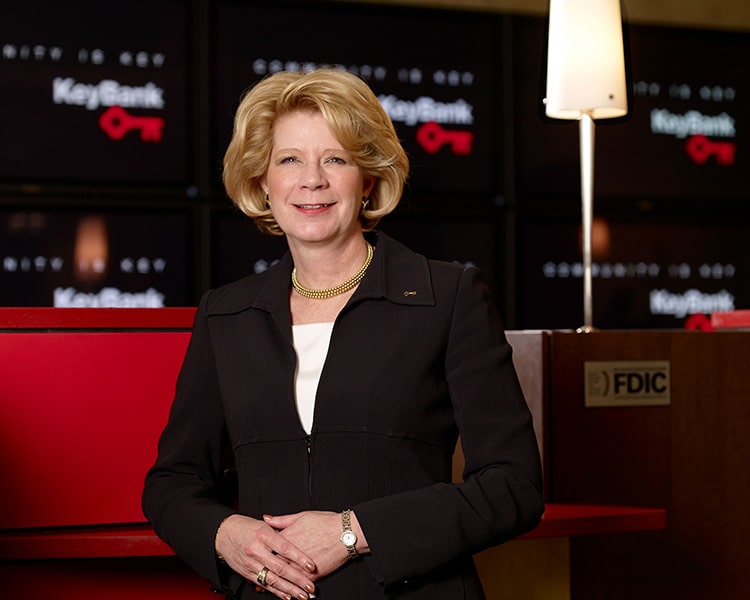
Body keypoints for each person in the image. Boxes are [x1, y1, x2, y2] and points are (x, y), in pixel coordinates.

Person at [142, 68, 544, 600]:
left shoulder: (447, 296)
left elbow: (513, 487)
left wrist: (354, 533)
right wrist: (224, 534)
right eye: (289, 160)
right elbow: (171, 483)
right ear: (263, 180)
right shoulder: (226, 313)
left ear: (369, 177)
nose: (312, 180)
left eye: (336, 158)